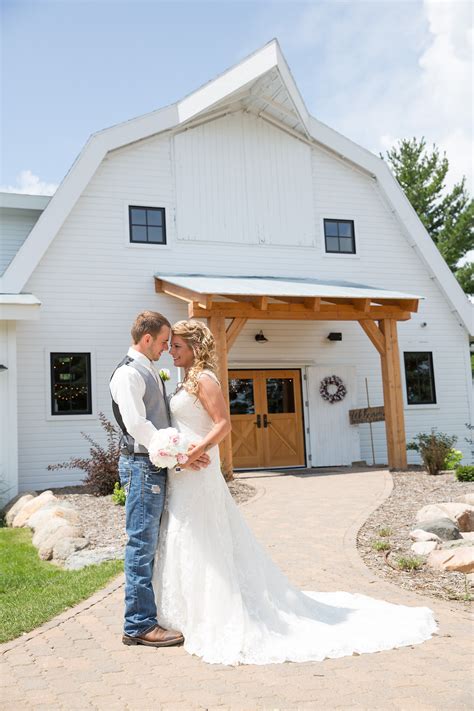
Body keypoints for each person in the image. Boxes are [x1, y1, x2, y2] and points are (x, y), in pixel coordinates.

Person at [152, 319, 438, 665]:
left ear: (195, 348)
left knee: (206, 537)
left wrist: (195, 453)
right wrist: (175, 450)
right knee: (186, 536)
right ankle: (187, 612)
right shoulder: (185, 381)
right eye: (171, 346)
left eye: (177, 346)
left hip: (197, 471)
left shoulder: (205, 379)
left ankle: (216, 611)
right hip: (183, 472)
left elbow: (223, 424)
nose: (171, 351)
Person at [110, 311, 209, 648]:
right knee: (140, 545)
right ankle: (138, 625)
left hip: (151, 467)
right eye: (165, 341)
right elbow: (138, 424)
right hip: (140, 466)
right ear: (147, 338)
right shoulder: (128, 374)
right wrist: (178, 452)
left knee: (151, 544)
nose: (167, 348)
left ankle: (146, 617)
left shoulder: (148, 369)